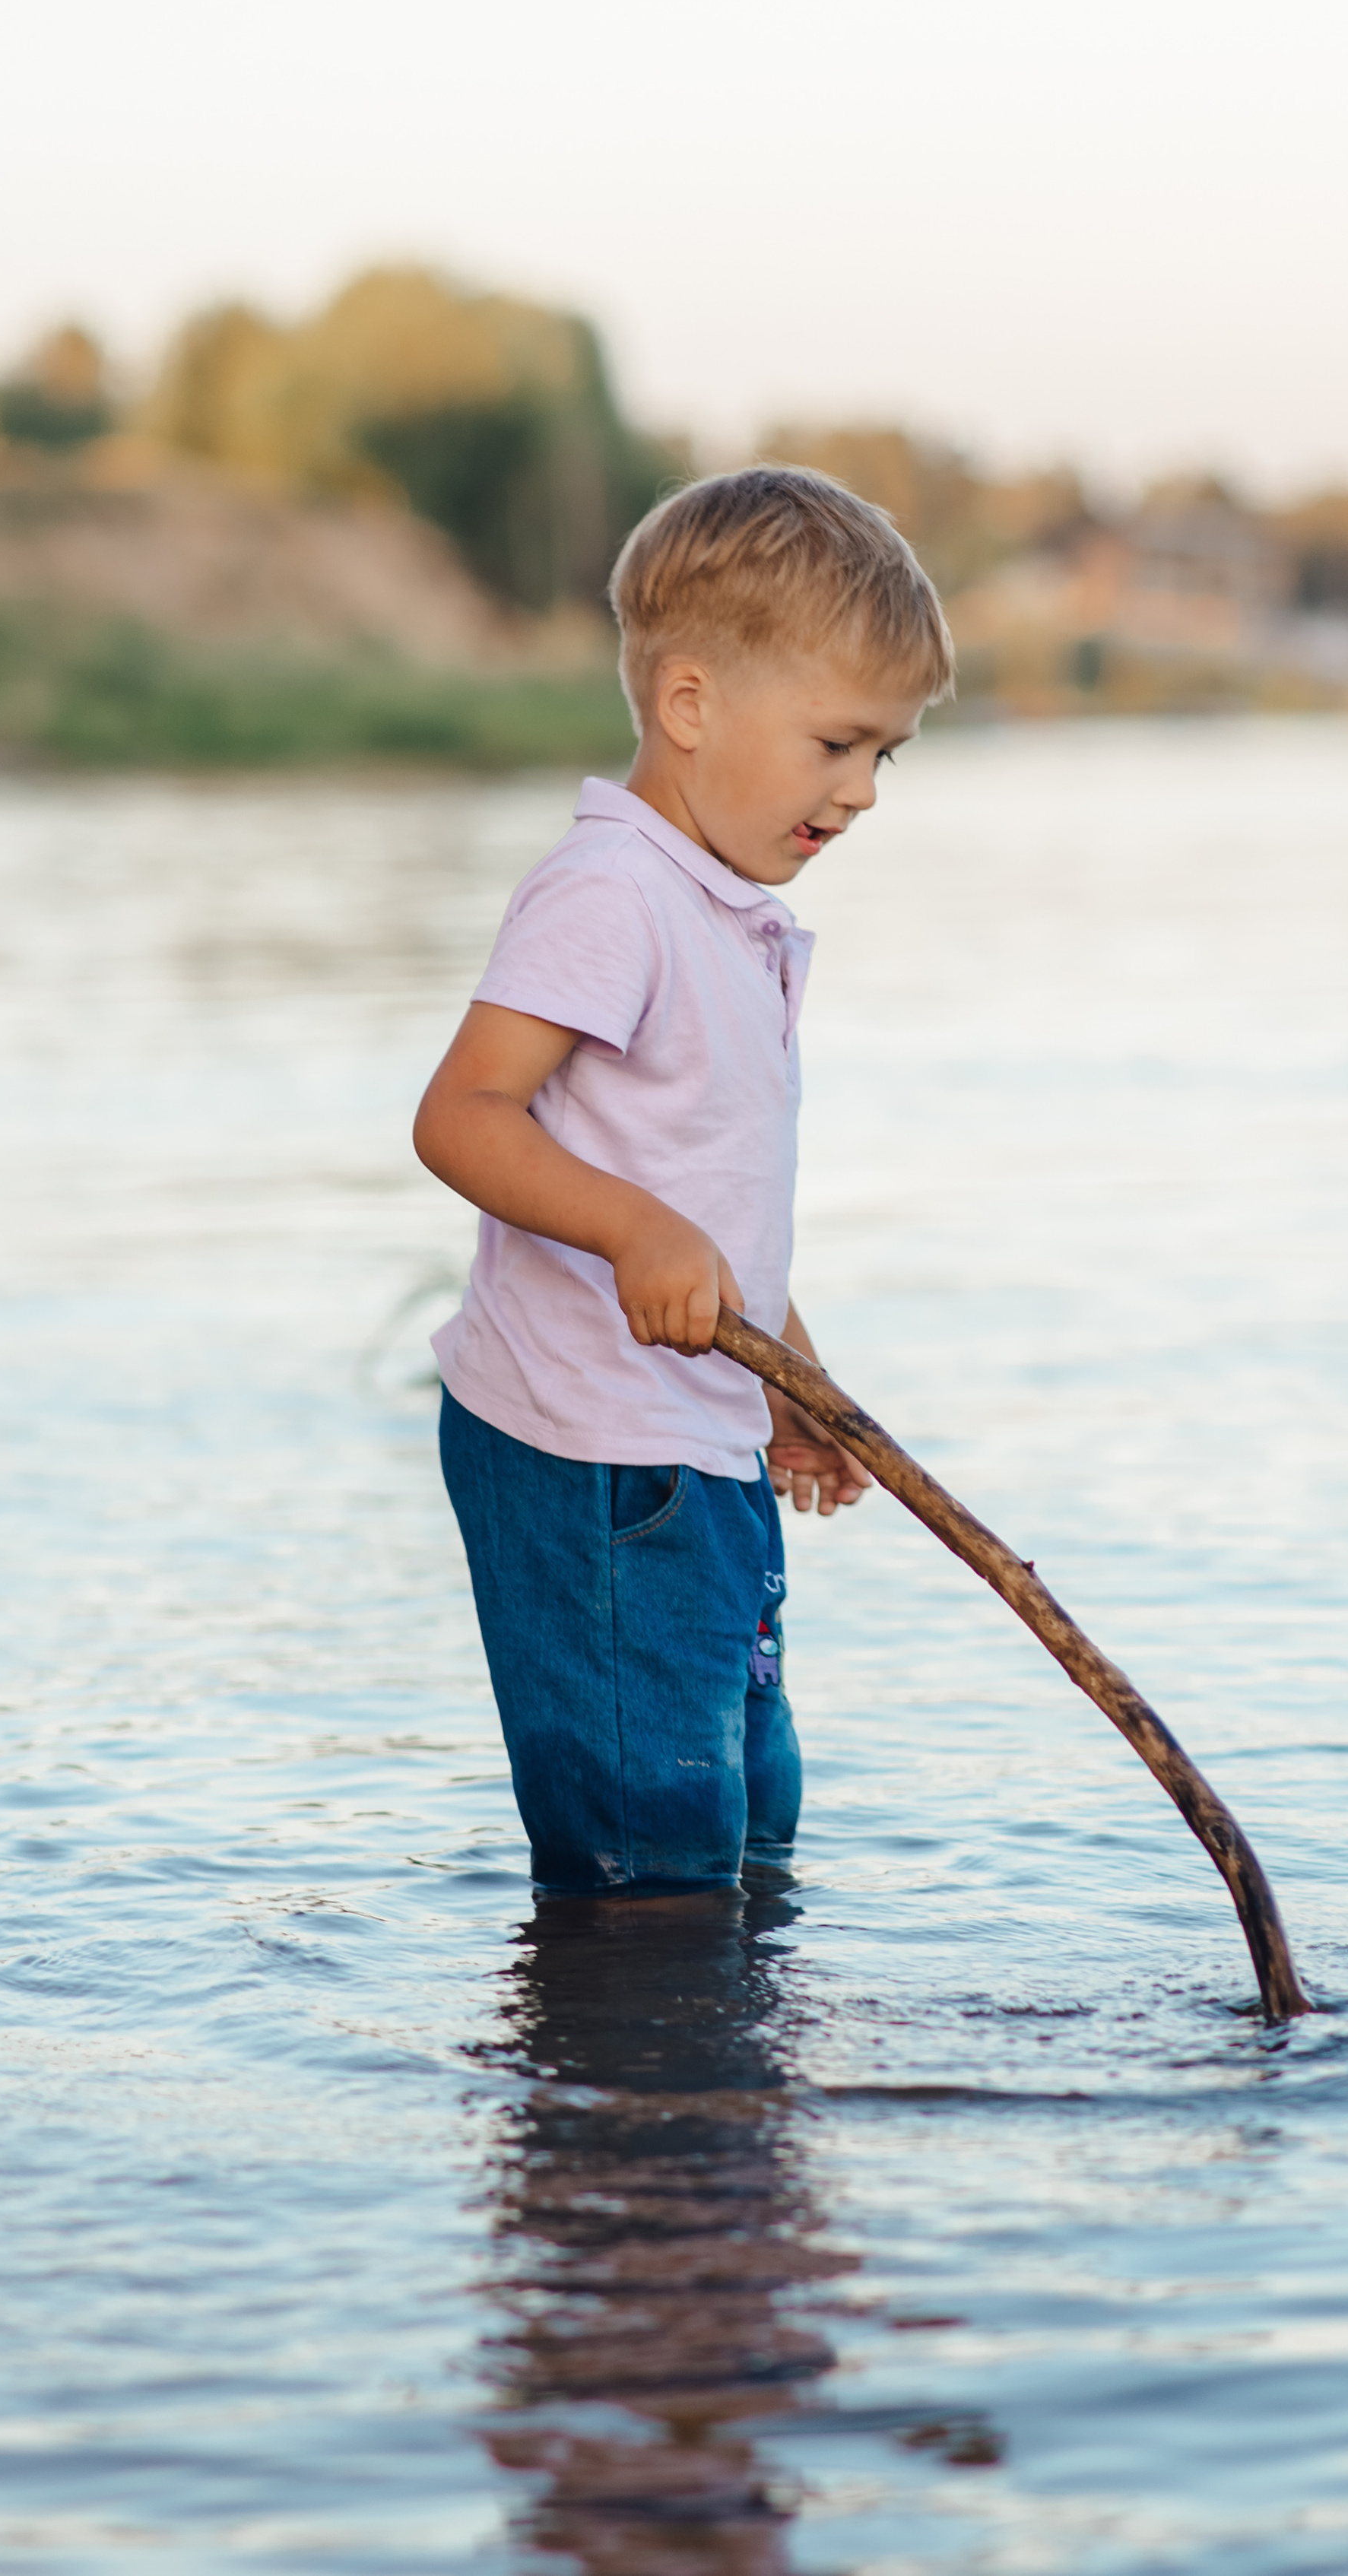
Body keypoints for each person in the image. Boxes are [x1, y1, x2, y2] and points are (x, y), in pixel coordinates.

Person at [413, 465, 954, 1900]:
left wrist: (795, 1373)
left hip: (697, 1448)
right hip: (595, 1459)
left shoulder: (728, 915)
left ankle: (727, 2105)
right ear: (693, 704)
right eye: (839, 743)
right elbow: (462, 1116)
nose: (861, 792)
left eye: (886, 756)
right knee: (649, 1849)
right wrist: (635, 1227)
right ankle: (634, 2114)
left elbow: (706, 1200)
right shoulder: (614, 893)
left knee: (746, 1814)